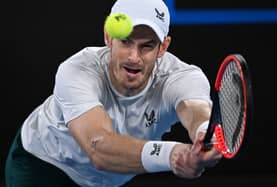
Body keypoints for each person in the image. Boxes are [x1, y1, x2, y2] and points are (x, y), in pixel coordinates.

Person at [5, 0, 222, 186]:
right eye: (126, 41)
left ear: (163, 47)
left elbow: (196, 111)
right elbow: (99, 149)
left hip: (110, 178)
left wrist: (203, 135)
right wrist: (173, 154)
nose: (134, 57)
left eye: (146, 46)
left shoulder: (182, 77)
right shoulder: (77, 70)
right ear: (108, 37)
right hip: (44, 164)